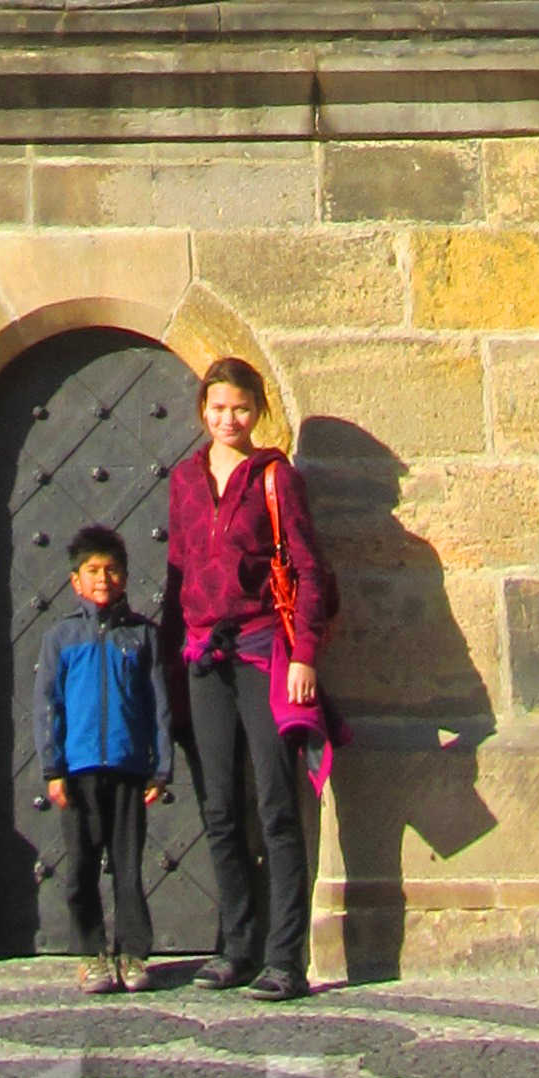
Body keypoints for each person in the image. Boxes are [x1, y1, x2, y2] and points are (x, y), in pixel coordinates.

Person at [160, 355, 336, 1002]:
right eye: (216, 408)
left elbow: (312, 571)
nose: (227, 418)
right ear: (202, 412)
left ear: (257, 412)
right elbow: (178, 572)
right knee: (218, 806)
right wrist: (168, 659)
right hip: (204, 655)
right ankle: (235, 944)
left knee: (275, 803)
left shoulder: (275, 478)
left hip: (264, 651)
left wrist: (305, 655)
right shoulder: (184, 480)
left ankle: (284, 957)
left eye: (239, 408)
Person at [34, 524, 172, 993]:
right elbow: (47, 704)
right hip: (79, 770)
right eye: (92, 570)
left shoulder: (142, 636)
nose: (102, 579)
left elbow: (159, 704)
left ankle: (133, 952)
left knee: (129, 868)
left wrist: (161, 766)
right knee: (81, 867)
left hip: (130, 768)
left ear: (126, 577)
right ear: (75, 580)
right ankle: (91, 952)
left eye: (112, 570)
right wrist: (52, 768)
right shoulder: (61, 638)